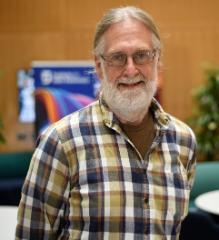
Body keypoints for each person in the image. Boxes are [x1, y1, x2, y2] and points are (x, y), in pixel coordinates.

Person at [16, 6, 197, 239]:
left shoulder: (183, 141)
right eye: (117, 57)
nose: (130, 69)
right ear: (99, 65)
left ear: (157, 59)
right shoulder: (61, 142)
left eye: (141, 55)